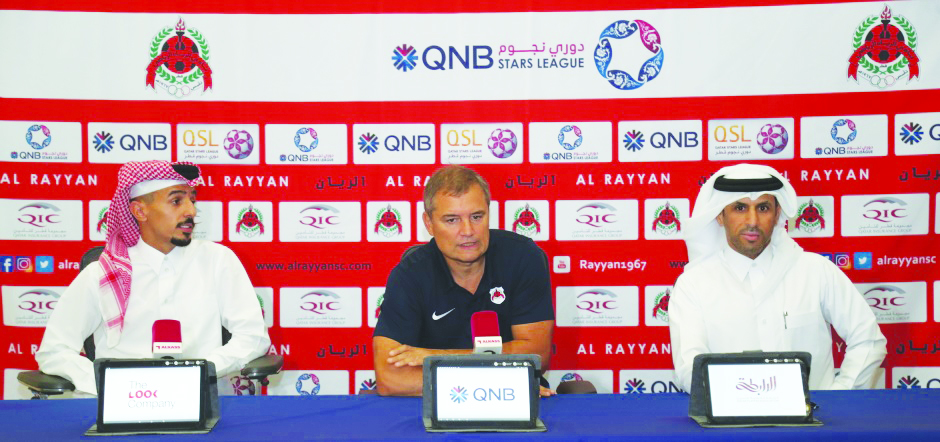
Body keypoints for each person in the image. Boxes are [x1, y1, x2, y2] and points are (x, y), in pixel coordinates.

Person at [36, 160, 270, 395]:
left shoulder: (218, 260)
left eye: (192, 199)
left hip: (204, 405)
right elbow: (54, 351)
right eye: (176, 201)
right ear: (140, 211)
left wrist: (201, 370)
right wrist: (109, 383)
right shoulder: (103, 274)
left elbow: (253, 337)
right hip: (120, 409)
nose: (191, 211)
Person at [669, 163, 886, 391]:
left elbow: (869, 340)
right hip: (730, 425)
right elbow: (689, 366)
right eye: (740, 208)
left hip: (813, 424)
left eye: (763, 208)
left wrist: (839, 398)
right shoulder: (694, 284)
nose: (752, 221)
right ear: (720, 217)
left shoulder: (816, 271)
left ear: (777, 214)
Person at [373, 165, 554, 396]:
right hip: (446, 406)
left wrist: (435, 357)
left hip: (513, 401)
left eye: (477, 216)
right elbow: (390, 379)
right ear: (429, 223)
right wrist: (494, 382)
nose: (468, 230)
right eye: (452, 220)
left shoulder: (523, 258)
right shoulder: (409, 274)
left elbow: (536, 357)